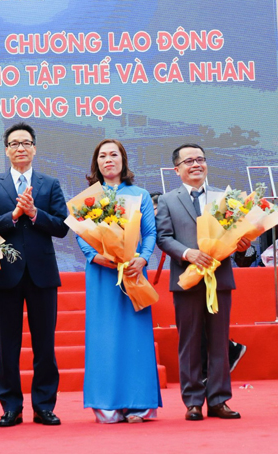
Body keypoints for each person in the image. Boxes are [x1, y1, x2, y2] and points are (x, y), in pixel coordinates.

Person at [0, 122, 69, 427]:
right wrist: (14, 216)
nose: (20, 148)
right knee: (8, 345)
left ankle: (43, 406)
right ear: (6, 150)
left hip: (42, 274)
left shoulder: (50, 184)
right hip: (6, 274)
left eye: (26, 143)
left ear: (34, 149)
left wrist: (34, 213)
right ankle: (11, 407)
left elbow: (62, 226)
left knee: (45, 345)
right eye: (14, 143)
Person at [155, 143, 251, 421]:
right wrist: (188, 253)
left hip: (219, 279)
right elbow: (164, 238)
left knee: (219, 341)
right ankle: (193, 401)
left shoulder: (225, 198)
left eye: (200, 159)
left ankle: (219, 400)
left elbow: (238, 238)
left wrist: (242, 246)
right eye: (189, 161)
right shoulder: (168, 200)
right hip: (186, 279)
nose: (196, 164)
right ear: (177, 169)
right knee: (190, 342)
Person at [77, 139, 162, 423]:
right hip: (102, 273)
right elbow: (81, 233)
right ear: (96, 163)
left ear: (123, 160)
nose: (108, 159)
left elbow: (149, 233)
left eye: (114, 154)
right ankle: (106, 403)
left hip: (132, 271)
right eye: (102, 156)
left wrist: (143, 258)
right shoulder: (89, 197)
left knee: (135, 335)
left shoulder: (140, 195)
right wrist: (94, 255)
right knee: (103, 335)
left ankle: (140, 403)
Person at [151, 192, 247, 377]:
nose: (155, 213)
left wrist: (239, 245)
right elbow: (164, 239)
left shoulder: (213, 200)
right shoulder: (159, 221)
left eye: (155, 209)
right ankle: (213, 365)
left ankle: (217, 367)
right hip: (185, 269)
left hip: (212, 268)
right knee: (193, 324)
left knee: (207, 321)